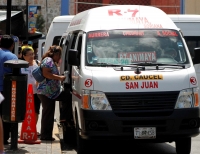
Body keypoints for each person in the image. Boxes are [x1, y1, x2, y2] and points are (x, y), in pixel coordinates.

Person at [37, 45, 66, 141]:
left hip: (51, 92)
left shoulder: (50, 61)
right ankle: (45, 136)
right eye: (59, 55)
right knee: (48, 114)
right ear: (56, 54)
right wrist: (59, 78)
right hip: (46, 92)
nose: (60, 58)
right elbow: (46, 74)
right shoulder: (48, 60)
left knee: (48, 113)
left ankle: (46, 135)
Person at [0, 35, 18, 145]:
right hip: (5, 90)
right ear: (12, 45)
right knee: (5, 115)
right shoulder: (11, 56)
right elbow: (17, 73)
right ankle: (4, 138)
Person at [21, 48, 41, 132]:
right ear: (24, 56)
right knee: (25, 111)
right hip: (25, 93)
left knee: (36, 110)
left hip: (36, 92)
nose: (32, 56)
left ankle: (33, 128)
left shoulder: (37, 63)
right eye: (29, 54)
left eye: (32, 54)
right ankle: (25, 128)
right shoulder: (21, 65)